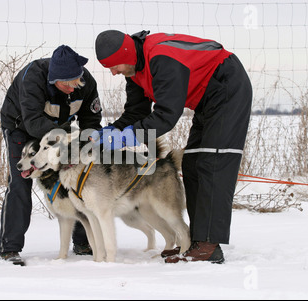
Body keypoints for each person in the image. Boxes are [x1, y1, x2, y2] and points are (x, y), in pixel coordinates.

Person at [94, 30, 252, 263]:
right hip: (205, 99)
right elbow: (137, 111)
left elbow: (167, 114)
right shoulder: (135, 70)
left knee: (212, 162)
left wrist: (131, 136)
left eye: (114, 65)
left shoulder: (161, 57)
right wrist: (114, 131)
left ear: (126, 53)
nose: (113, 72)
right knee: (192, 162)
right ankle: (196, 241)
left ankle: (209, 245)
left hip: (227, 85)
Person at [0, 45, 102, 265]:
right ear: (52, 79)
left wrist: (83, 146)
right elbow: (33, 121)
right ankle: (10, 248)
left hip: (60, 131)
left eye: (75, 83)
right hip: (22, 127)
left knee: (76, 179)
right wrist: (67, 137)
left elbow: (91, 122)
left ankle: (83, 242)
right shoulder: (33, 78)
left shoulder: (87, 84)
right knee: (21, 181)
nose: (71, 88)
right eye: (66, 84)